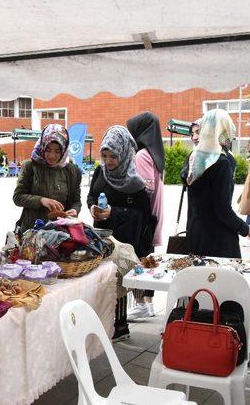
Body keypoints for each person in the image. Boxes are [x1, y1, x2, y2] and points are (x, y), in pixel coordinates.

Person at [87, 126, 154, 342]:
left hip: (125, 239)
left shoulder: (135, 180)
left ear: (124, 154)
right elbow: (90, 196)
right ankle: (102, 323)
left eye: (113, 156)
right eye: (104, 156)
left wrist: (113, 212)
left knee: (119, 279)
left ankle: (120, 326)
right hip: (102, 234)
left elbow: (142, 215)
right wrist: (92, 208)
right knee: (101, 279)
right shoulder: (100, 172)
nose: (108, 162)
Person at [182, 109, 250, 258]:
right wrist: (245, 229)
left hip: (196, 232)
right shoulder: (221, 162)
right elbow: (222, 209)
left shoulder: (193, 159)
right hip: (218, 238)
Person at [126, 112, 165, 320]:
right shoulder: (155, 154)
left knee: (140, 258)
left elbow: (145, 187)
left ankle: (141, 304)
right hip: (154, 216)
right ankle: (148, 305)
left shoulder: (141, 155)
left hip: (143, 218)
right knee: (148, 257)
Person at [13, 123, 81, 233]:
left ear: (64, 150)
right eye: (48, 150)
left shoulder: (72, 171)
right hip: (32, 231)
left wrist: (74, 210)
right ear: (42, 146)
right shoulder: (30, 166)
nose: (52, 156)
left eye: (57, 151)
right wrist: (41, 200)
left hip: (60, 232)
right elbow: (18, 197)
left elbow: (76, 201)